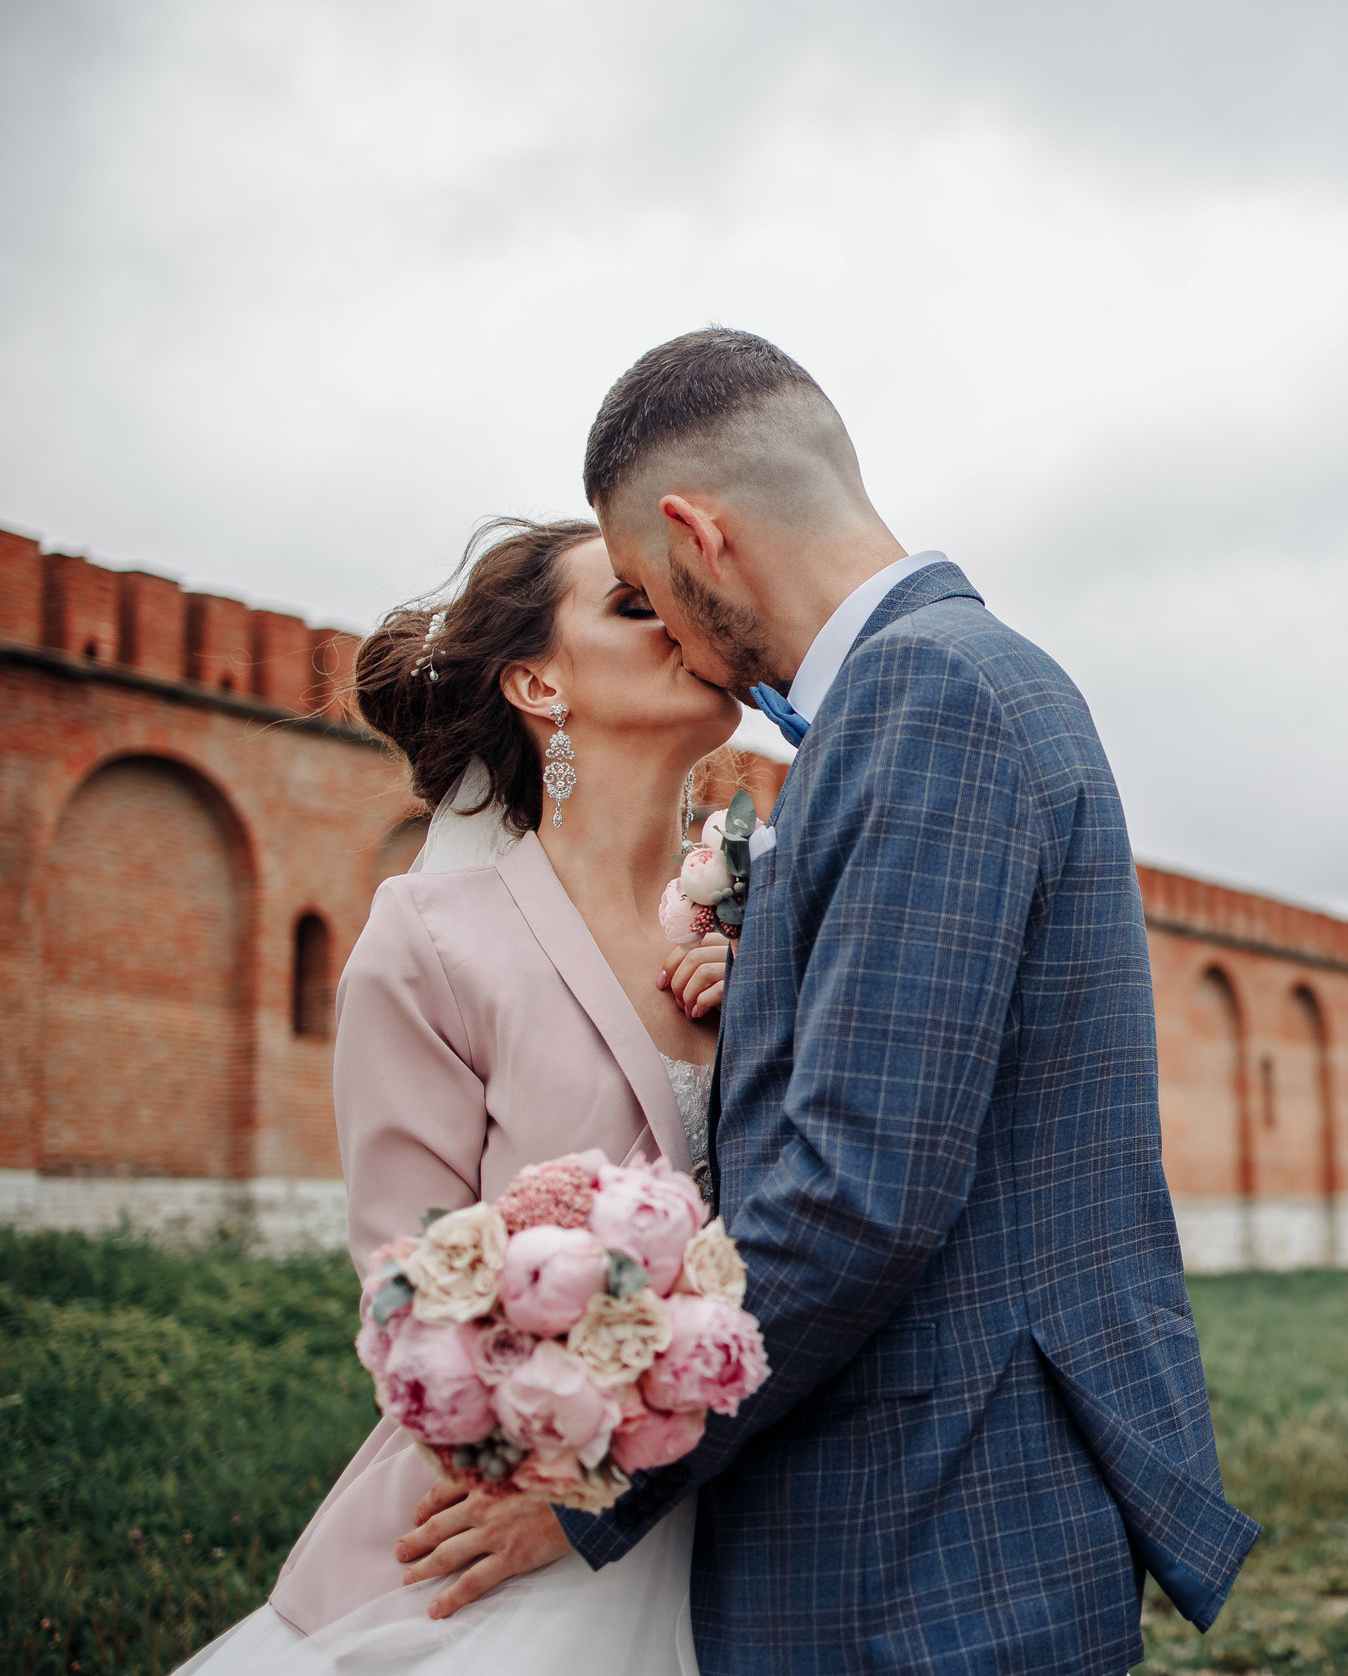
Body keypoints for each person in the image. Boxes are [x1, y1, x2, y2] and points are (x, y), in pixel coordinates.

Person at [407, 328, 1260, 1672]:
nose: (675, 634)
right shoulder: (948, 681)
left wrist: (598, 1476)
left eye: (645, 585)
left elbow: (861, 1187)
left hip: (926, 1531)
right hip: (943, 1505)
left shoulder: (926, 694)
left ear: (698, 533)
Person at [172, 517, 744, 1673]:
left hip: (762, 1512)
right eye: (638, 607)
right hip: (509, 1521)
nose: (688, 623)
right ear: (539, 683)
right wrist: (582, 1485)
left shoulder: (770, 922)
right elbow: (416, 1289)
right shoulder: (431, 942)